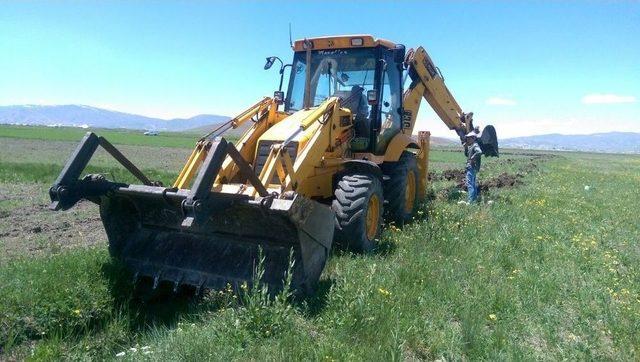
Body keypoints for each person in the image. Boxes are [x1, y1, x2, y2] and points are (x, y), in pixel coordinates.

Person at [464, 131, 482, 203]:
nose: (467, 139)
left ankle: (470, 202)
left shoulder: (475, 145)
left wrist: (472, 158)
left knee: (470, 184)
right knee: (473, 184)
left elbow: (479, 152)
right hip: (473, 167)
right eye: (467, 138)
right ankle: (474, 200)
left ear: (473, 138)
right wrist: (465, 148)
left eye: (469, 138)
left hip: (472, 167)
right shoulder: (472, 146)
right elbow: (467, 155)